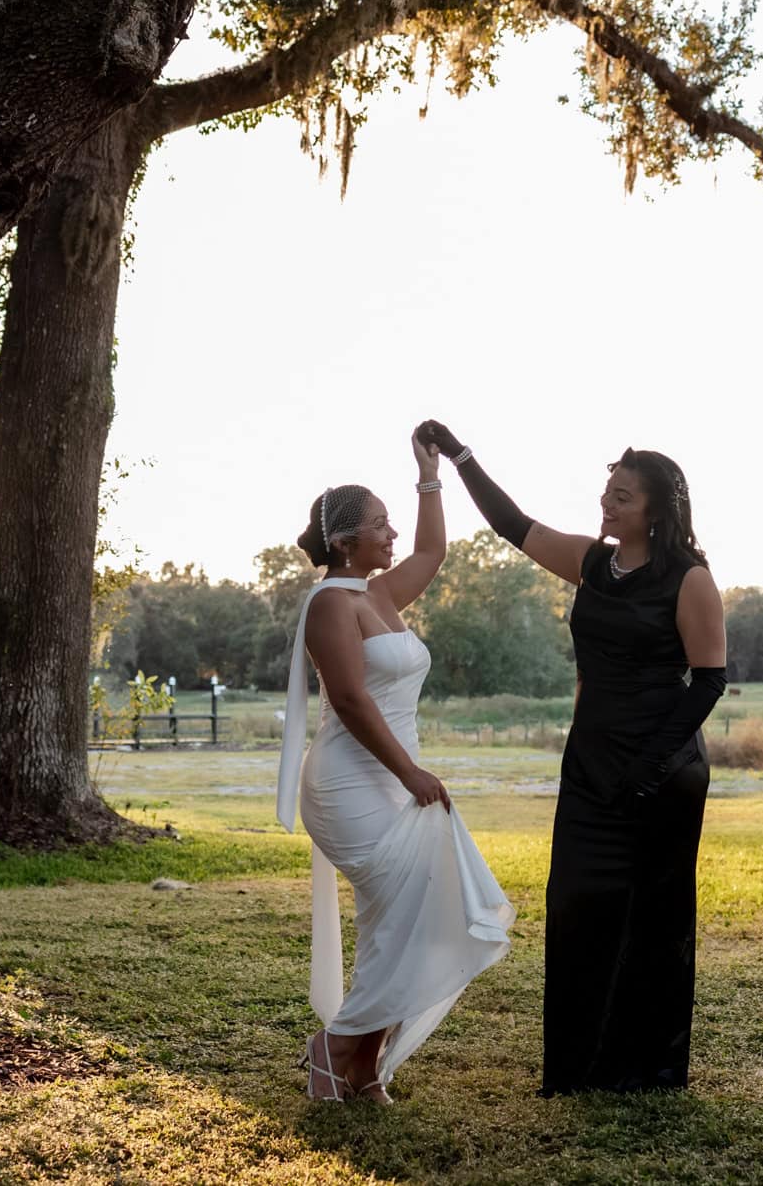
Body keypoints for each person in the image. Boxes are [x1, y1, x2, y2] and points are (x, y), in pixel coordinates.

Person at [418, 420, 726, 1095]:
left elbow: (709, 680)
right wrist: (459, 456)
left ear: (655, 509)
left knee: (652, 915)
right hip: (589, 764)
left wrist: (650, 765)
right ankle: (579, 1067)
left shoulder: (689, 579)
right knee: (577, 904)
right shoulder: (592, 563)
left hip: (661, 771)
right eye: (607, 492)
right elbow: (512, 524)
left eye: (622, 497)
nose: (606, 504)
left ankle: (645, 1069)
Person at [277, 431, 515, 1104]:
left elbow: (433, 551)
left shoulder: (379, 595)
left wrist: (429, 474)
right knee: (407, 916)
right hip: (349, 783)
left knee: (407, 921)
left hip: (393, 777)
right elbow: (350, 700)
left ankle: (360, 1063)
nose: (392, 534)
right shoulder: (331, 603)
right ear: (345, 541)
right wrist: (411, 772)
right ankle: (337, 1046)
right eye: (380, 524)